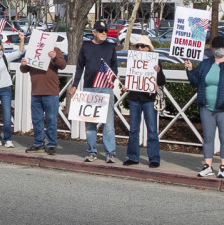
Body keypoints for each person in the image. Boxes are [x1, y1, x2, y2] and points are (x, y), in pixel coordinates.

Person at [186, 35, 224, 178]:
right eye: (217, 47)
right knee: (208, 137)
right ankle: (208, 166)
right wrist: (190, 70)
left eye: (222, 47)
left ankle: (223, 167)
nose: (220, 50)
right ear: (212, 49)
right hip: (206, 107)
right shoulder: (205, 64)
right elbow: (195, 82)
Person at [68, 22, 120, 163]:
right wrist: (74, 85)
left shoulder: (110, 47)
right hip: (89, 88)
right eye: (101, 30)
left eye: (105, 31)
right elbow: (80, 67)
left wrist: (111, 78)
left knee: (108, 123)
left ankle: (110, 153)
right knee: (90, 123)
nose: (104, 33)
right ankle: (92, 151)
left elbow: (114, 67)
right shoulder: (86, 46)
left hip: (106, 88)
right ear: (94, 32)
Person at [20, 33, 67, 155]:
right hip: (36, 92)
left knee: (51, 119)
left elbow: (62, 65)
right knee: (37, 120)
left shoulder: (55, 50)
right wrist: (23, 64)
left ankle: (52, 144)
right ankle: (38, 143)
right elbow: (24, 69)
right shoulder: (32, 51)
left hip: (51, 92)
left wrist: (54, 57)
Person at [124, 40, 166, 168]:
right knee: (133, 129)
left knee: (152, 130)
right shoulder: (133, 60)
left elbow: (162, 81)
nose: (140, 48)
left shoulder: (155, 60)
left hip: (149, 99)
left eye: (143, 46)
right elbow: (131, 76)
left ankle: (154, 158)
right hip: (134, 98)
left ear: (148, 48)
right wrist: (127, 86)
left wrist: (158, 71)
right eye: (138, 46)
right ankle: (133, 157)